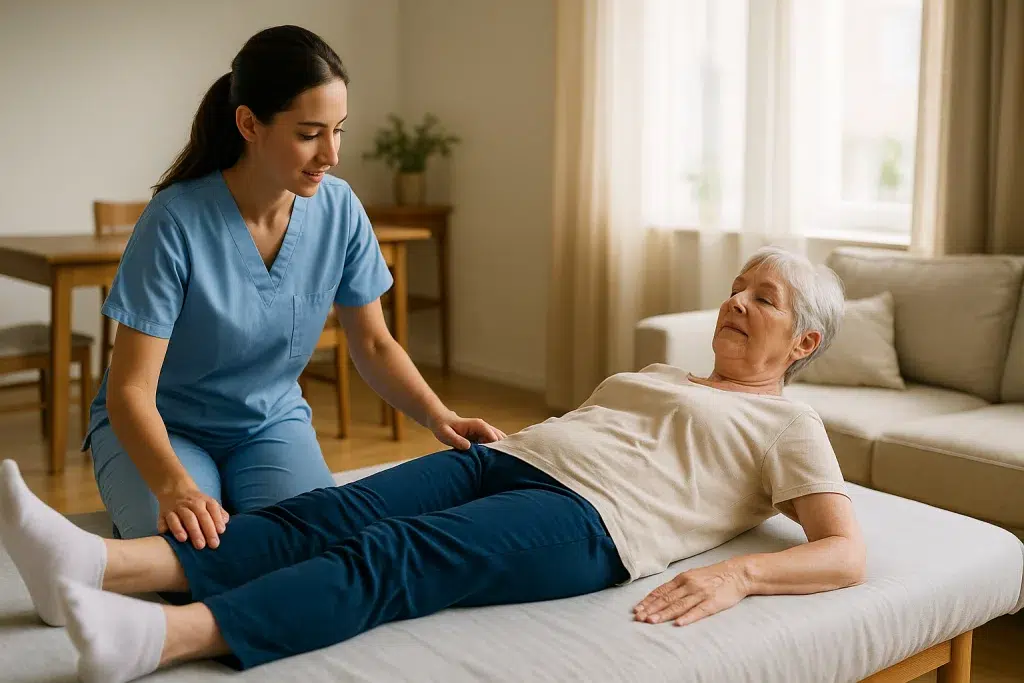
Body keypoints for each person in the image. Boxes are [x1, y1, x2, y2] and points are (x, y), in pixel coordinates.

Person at [1, 247, 866, 683]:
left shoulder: (788, 423)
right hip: (514, 457)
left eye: (764, 300)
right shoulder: (669, 373)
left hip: (592, 523)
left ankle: (161, 636)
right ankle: (102, 563)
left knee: (393, 556)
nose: (735, 301)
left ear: (805, 341)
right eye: (738, 287)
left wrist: (743, 576)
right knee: (332, 511)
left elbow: (842, 550)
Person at [82, 25, 504, 547]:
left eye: (339, 130)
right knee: (186, 547)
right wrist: (174, 487)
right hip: (164, 428)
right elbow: (130, 389)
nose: (331, 153)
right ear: (249, 124)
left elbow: (372, 343)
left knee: (317, 541)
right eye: (309, 134)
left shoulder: (340, 208)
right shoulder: (174, 220)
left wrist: (441, 416)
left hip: (268, 425)